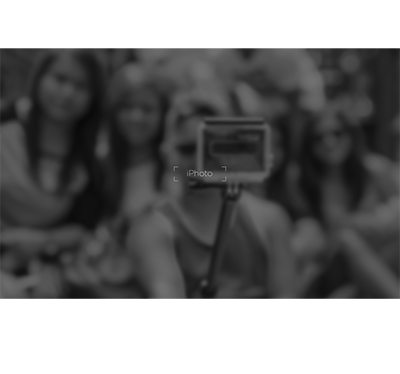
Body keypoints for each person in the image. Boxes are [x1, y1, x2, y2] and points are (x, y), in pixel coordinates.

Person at [127, 86, 298, 299]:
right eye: (188, 149)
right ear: (167, 154)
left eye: (210, 147)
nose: (199, 161)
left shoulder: (270, 219)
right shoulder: (153, 228)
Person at [0, 48, 105, 297]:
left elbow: (85, 226)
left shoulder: (95, 156)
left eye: (81, 86)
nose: (67, 93)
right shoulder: (7, 124)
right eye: (60, 79)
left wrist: (42, 240)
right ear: (39, 77)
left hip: (44, 270)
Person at [64, 63, 173, 298]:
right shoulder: (101, 162)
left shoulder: (177, 163)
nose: (136, 116)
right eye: (127, 107)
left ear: (164, 113)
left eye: (147, 108)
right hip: (110, 279)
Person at [296, 107, 400, 296]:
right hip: (336, 264)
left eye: (337, 133)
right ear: (309, 145)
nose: (329, 142)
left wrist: (377, 222)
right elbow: (313, 236)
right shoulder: (306, 182)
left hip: (378, 258)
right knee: (346, 240)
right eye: (318, 137)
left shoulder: (376, 170)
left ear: (351, 135)